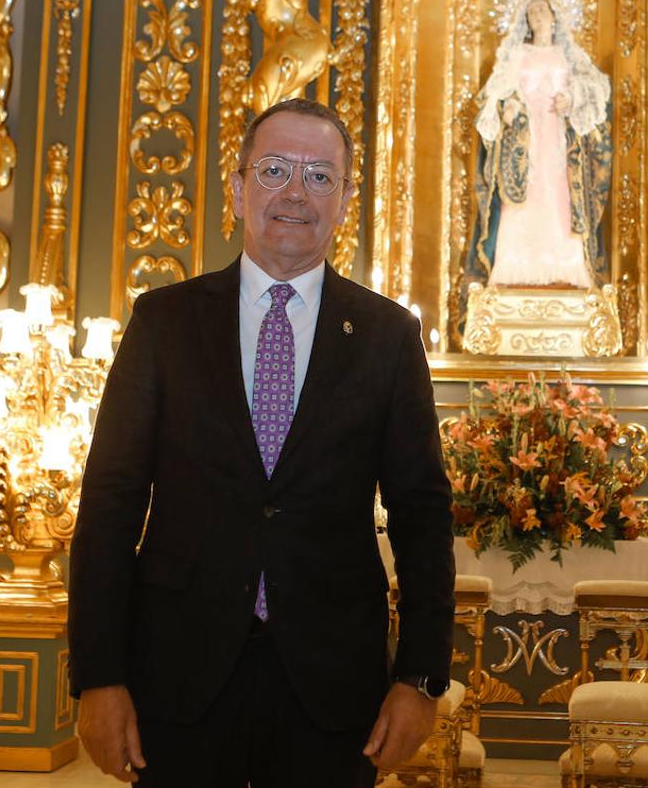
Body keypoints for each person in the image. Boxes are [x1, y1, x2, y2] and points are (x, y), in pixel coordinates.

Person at [68, 98, 456, 787]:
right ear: (239, 186)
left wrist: (421, 678)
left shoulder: (386, 337)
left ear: (343, 201)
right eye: (275, 169)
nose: (295, 194)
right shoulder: (163, 323)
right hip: (178, 678)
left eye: (319, 176)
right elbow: (109, 507)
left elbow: (422, 515)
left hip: (335, 690)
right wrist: (98, 677)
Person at [465, 0, 613, 290]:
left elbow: (597, 87)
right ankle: (515, 268)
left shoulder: (569, 54)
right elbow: (495, 94)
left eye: (542, 10)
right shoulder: (516, 54)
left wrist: (572, 96)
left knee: (558, 194)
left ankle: (565, 267)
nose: (537, 16)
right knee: (524, 197)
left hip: (557, 137)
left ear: (555, 15)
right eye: (531, 11)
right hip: (525, 140)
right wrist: (508, 106)